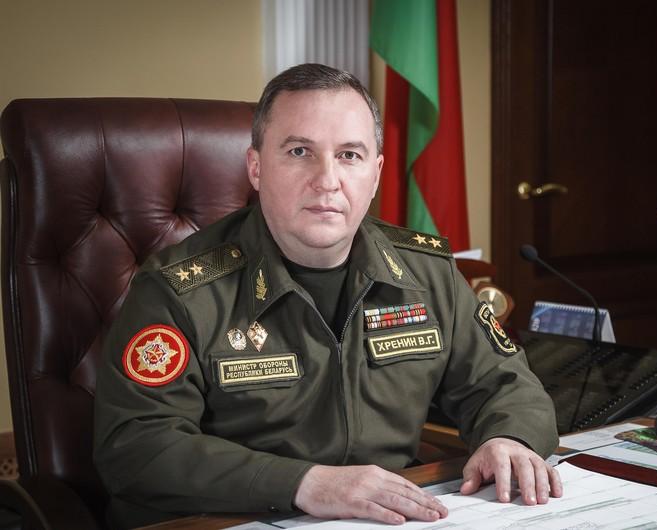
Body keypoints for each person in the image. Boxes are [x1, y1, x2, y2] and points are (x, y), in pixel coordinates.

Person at [93, 63, 560, 528]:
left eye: (350, 155)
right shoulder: (178, 290)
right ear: (256, 167)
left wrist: (509, 438)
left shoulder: (426, 273)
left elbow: (507, 384)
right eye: (300, 151)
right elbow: (136, 446)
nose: (327, 180)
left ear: (375, 174)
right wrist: (305, 483)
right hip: (227, 520)